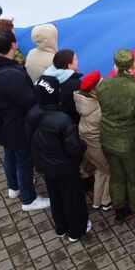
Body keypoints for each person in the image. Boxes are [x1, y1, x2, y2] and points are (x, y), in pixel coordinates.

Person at [0, 29, 50, 211]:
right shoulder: (11, 75)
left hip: (1, 123)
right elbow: (28, 100)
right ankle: (29, 199)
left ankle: (14, 187)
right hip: (16, 126)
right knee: (24, 160)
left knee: (9, 155)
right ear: (13, 45)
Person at [27, 75, 90, 242]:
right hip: (65, 167)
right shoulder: (62, 119)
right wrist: (83, 145)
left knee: (55, 197)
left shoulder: (33, 112)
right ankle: (77, 231)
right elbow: (74, 148)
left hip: (45, 165)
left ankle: (61, 227)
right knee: (73, 199)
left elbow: (29, 137)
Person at [96, 49, 135, 227]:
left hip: (107, 139)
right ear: (132, 66)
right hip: (130, 143)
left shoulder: (103, 86)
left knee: (116, 175)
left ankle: (120, 211)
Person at [74, 71, 112, 211]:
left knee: (100, 169)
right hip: (95, 144)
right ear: (94, 90)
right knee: (106, 169)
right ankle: (104, 201)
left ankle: (99, 200)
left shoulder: (84, 101)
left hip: (86, 141)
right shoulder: (98, 109)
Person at [43, 49, 83, 122]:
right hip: (70, 122)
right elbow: (81, 107)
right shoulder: (75, 84)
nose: (77, 62)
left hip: (50, 119)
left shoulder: (46, 77)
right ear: (69, 66)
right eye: (76, 59)